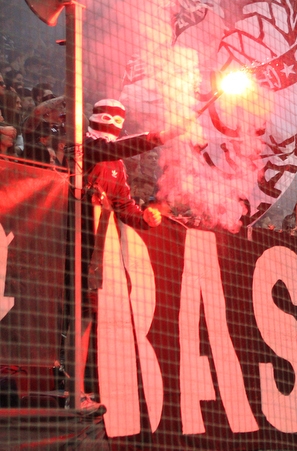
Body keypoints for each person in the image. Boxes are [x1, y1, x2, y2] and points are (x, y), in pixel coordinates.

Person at [74, 99, 182, 410]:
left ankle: (78, 390)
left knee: (85, 314)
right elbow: (114, 149)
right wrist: (160, 136)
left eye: (116, 119)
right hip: (65, 238)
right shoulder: (83, 145)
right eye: (107, 117)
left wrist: (144, 218)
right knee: (70, 311)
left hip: (93, 249)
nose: (111, 123)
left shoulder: (117, 166)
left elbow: (124, 205)